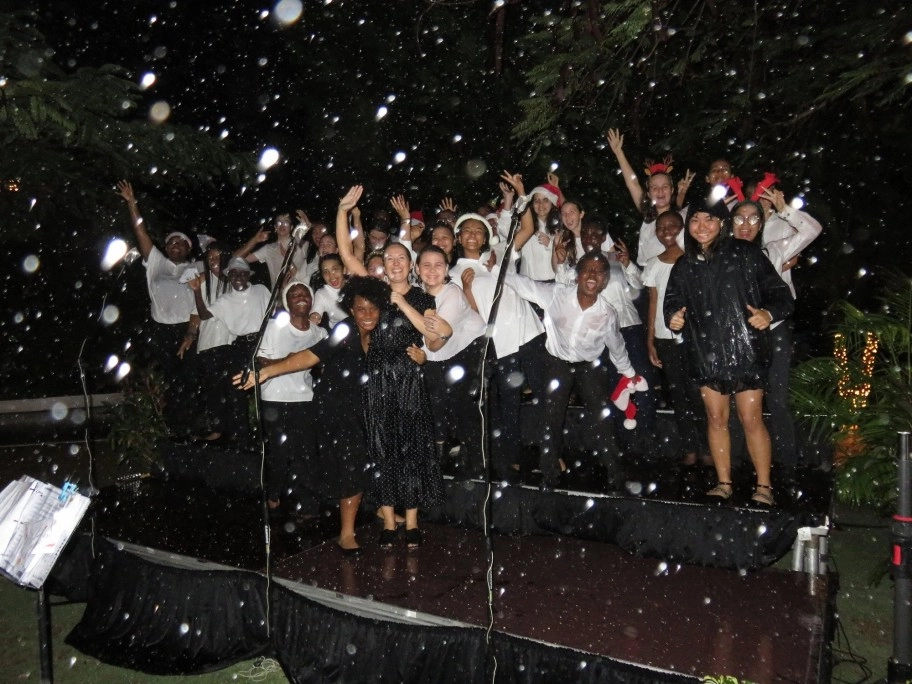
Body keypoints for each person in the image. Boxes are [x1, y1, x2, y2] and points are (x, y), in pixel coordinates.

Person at [237, 276, 423, 555]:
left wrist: (422, 358)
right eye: (361, 309)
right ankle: (346, 533)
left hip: (368, 409)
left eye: (373, 309)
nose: (368, 315)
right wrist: (266, 372)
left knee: (374, 461)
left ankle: (378, 512)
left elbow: (410, 352)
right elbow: (311, 356)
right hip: (337, 411)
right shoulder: (345, 330)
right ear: (351, 310)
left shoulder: (382, 332)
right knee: (352, 467)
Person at [337, 185, 449, 548]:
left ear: (411, 264)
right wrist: (343, 212)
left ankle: (412, 521)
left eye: (402, 258)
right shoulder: (375, 291)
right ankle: (388, 521)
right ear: (383, 265)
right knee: (382, 448)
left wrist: (403, 303)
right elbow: (344, 253)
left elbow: (432, 335)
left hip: (409, 379)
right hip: (377, 379)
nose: (396, 263)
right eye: (390, 259)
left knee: (413, 448)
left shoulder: (421, 296)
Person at [664, 198, 794, 507]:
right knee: (715, 418)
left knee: (751, 419)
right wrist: (673, 317)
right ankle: (724, 483)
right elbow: (672, 300)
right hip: (705, 351)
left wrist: (768, 313)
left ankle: (764, 486)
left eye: (710, 220)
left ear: (722, 223)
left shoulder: (746, 253)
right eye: (695, 220)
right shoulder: (684, 264)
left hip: (745, 349)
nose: (702, 226)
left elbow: (781, 295)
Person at [504, 250, 643, 490]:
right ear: (577, 275)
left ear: (605, 281)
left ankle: (616, 474)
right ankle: (549, 475)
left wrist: (628, 373)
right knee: (550, 418)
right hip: (557, 362)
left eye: (599, 272)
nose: (592, 275)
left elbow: (617, 346)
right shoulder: (556, 294)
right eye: (587, 269)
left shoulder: (607, 313)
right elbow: (523, 284)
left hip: (589, 366)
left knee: (602, 418)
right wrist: (497, 270)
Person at [729, 192, 822, 477]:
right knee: (737, 401)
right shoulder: (720, 257)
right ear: (729, 223)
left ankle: (789, 467)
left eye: (753, 218)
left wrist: (784, 209)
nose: (745, 224)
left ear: (761, 224)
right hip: (737, 339)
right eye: (739, 218)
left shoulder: (774, 250)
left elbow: (812, 230)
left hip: (774, 333)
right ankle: (736, 466)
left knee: (778, 400)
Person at [451, 211, 548, 480]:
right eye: (467, 231)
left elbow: (527, 228)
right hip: (501, 343)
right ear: (459, 237)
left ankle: (552, 453)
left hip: (529, 332)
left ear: (486, 236)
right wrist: (468, 289)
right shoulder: (453, 272)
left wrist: (521, 196)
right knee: (509, 404)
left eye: (478, 230)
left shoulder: (498, 253)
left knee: (544, 395)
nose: (472, 235)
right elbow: (467, 316)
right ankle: (512, 458)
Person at [116, 180, 200, 438]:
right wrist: (132, 203)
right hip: (161, 330)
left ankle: (194, 429)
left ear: (188, 248)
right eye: (172, 242)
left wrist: (190, 333)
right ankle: (175, 431)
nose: (176, 246)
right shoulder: (157, 263)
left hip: (190, 328)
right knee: (170, 382)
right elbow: (141, 233)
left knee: (191, 381)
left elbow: (200, 302)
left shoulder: (196, 268)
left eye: (181, 243)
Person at [641, 211, 709, 466]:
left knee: (699, 394)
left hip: (694, 338)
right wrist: (650, 341)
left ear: (683, 228)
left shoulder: (697, 259)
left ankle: (708, 447)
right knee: (678, 395)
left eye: (673, 226)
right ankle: (689, 447)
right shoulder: (653, 264)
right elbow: (652, 303)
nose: (666, 230)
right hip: (664, 338)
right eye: (661, 227)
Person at [415, 245, 488, 478]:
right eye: (426, 265)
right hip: (440, 350)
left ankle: (477, 460)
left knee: (463, 403)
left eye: (438, 265)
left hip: (470, 346)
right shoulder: (418, 291)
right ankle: (440, 452)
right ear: (417, 269)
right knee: (435, 399)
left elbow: (436, 342)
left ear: (447, 268)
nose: (432, 270)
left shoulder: (452, 293)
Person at [257, 281, 327, 519]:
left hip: (305, 398)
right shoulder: (273, 327)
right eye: (294, 295)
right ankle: (274, 493)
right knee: (279, 451)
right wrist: (288, 361)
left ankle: (309, 504)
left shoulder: (319, 333)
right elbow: (260, 361)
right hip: (275, 397)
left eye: (305, 294)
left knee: (306, 452)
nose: (300, 297)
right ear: (287, 302)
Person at [190, 257, 272, 445]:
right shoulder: (225, 300)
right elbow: (204, 315)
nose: (238, 277)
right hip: (241, 345)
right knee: (237, 388)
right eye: (233, 273)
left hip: (264, 340)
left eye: (241, 273)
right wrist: (196, 291)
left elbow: (274, 310)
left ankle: (265, 433)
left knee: (266, 385)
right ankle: (242, 436)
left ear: (247, 275)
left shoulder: (260, 290)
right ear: (229, 276)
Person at [605, 129, 693, 266]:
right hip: (650, 279)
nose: (660, 191)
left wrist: (681, 195)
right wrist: (619, 152)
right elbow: (632, 183)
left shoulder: (684, 215)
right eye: (654, 188)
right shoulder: (648, 216)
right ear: (649, 193)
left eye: (665, 187)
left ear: (672, 190)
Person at [177, 240, 233, 441]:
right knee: (214, 389)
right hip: (209, 343)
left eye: (218, 257)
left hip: (231, 341)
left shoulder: (234, 278)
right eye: (210, 258)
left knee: (233, 388)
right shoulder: (201, 281)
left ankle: (237, 430)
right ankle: (217, 430)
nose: (214, 261)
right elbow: (196, 314)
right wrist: (190, 335)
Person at [237, 211, 311, 287]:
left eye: (286, 223)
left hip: (300, 291)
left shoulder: (301, 244)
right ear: (275, 227)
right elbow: (238, 259)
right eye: (279, 223)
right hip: (277, 296)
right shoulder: (268, 249)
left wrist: (306, 226)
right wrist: (254, 241)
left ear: (291, 227)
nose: (282, 225)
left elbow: (302, 233)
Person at [310, 253, 348, 329]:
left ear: (343, 269)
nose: (331, 276)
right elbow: (315, 311)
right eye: (326, 272)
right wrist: (314, 316)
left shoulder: (354, 285)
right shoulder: (322, 294)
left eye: (335, 269)